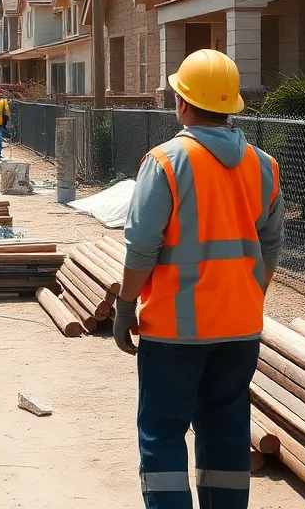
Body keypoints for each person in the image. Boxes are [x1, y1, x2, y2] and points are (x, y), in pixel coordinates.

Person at [111, 50, 284, 509]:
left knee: (163, 432)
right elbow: (271, 246)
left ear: (182, 103)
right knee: (226, 429)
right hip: (240, 327)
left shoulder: (166, 161)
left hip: (174, 329)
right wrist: (249, 296)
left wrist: (125, 306)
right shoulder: (263, 165)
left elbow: (142, 245)